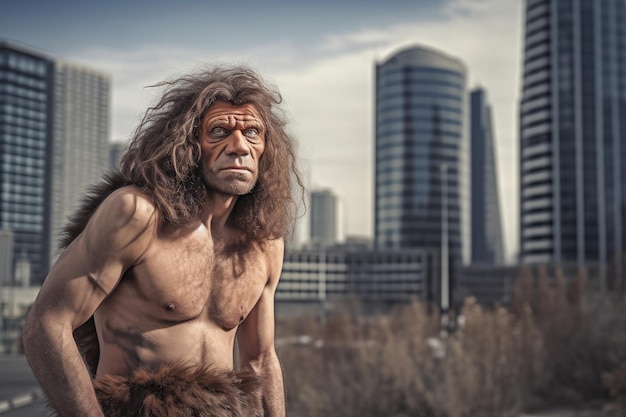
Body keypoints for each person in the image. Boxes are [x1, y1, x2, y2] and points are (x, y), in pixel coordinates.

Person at [22, 65, 303, 417]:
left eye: (252, 132)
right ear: (188, 145)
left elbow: (260, 360)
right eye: (219, 131)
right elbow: (46, 326)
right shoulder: (136, 215)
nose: (238, 146)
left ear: (266, 150)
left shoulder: (263, 245)